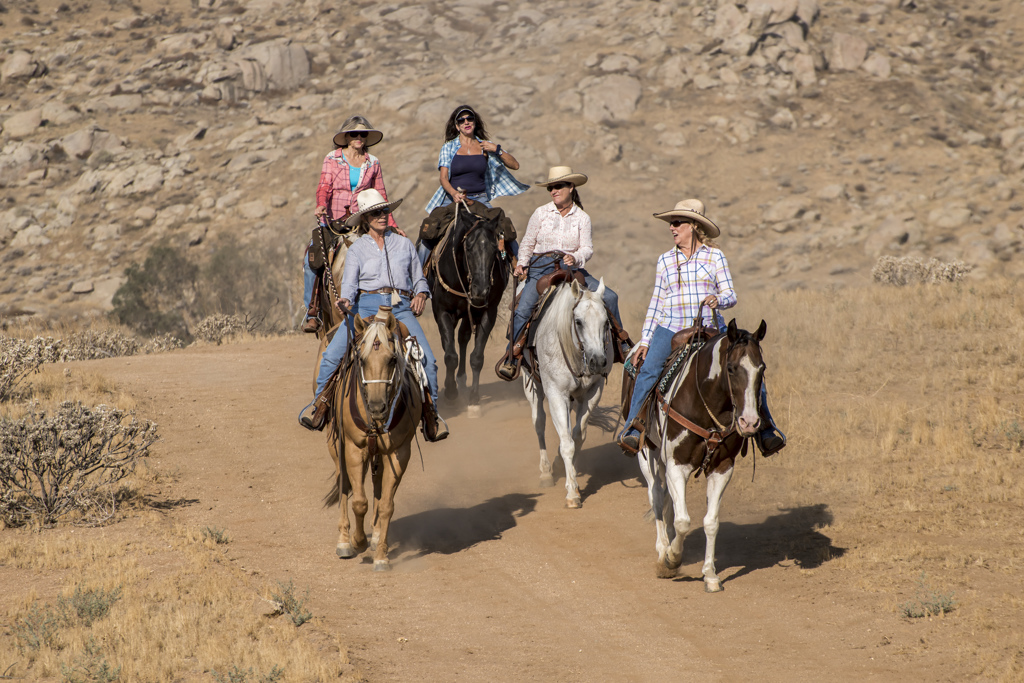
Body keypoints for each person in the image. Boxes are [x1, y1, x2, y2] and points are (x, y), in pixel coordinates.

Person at [616, 199, 786, 456]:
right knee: (648, 370)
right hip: (670, 327)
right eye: (671, 223)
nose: (671, 228)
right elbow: (656, 302)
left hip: (709, 328)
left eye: (677, 223)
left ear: (694, 226)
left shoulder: (715, 256)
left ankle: (766, 430)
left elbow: (730, 294)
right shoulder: (665, 260)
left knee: (748, 366)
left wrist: (719, 299)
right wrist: (646, 341)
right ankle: (633, 428)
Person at [300, 189, 448, 442]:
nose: (382, 216)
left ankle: (431, 416)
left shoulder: (404, 244)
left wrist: (422, 294)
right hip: (364, 307)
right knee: (331, 355)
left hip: (400, 308)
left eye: (385, 211)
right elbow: (349, 285)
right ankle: (319, 406)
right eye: (376, 213)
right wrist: (345, 300)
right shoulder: (357, 249)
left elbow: (419, 279)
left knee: (428, 361)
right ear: (365, 219)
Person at [496, 166, 630, 381]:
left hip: (571, 268)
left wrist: (575, 257)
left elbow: (587, 248)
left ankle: (621, 346)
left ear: (571, 187)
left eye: (558, 186)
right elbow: (528, 242)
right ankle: (511, 356)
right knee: (522, 310)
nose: (553, 191)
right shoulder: (541, 213)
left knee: (611, 297)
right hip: (540, 267)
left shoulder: (582, 218)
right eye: (550, 187)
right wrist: (521, 263)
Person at [302, 116, 401, 334]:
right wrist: (321, 204)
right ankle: (313, 310)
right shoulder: (332, 158)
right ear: (346, 137)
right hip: (333, 222)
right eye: (354, 134)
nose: (358, 137)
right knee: (312, 257)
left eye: (362, 134)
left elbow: (381, 194)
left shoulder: (373, 162)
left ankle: (397, 301)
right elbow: (324, 186)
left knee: (392, 249)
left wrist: (392, 223)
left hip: (362, 221)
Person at [418, 105, 529, 265]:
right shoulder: (448, 147)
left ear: (475, 122)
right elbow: (443, 178)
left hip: (480, 199)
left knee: (506, 230)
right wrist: (454, 193)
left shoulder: (486, 146)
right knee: (428, 233)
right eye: (461, 120)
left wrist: (497, 149)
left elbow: (515, 165)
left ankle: (520, 271)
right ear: (457, 126)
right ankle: (420, 276)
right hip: (452, 199)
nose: (466, 122)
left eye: (470, 118)